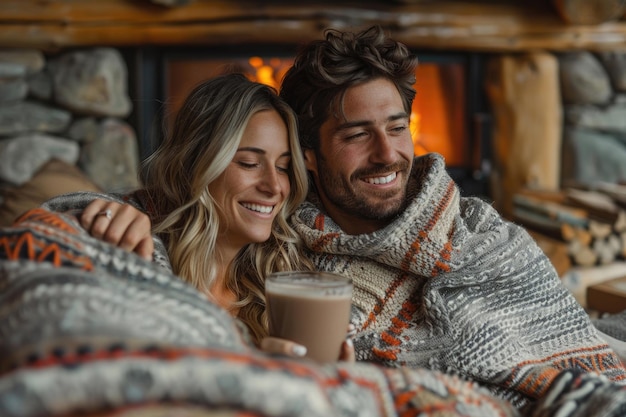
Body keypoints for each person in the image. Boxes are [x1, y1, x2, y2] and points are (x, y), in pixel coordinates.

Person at [80, 27, 626, 412]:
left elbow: (574, 351)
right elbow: (169, 203)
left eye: (395, 128)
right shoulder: (283, 242)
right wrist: (114, 211)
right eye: (356, 134)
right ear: (312, 157)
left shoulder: (487, 239)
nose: (387, 154)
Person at [43, 73, 350, 359]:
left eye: (283, 167)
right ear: (197, 165)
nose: (274, 186)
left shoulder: (285, 279)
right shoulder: (141, 253)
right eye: (248, 163)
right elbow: (42, 230)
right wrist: (95, 211)